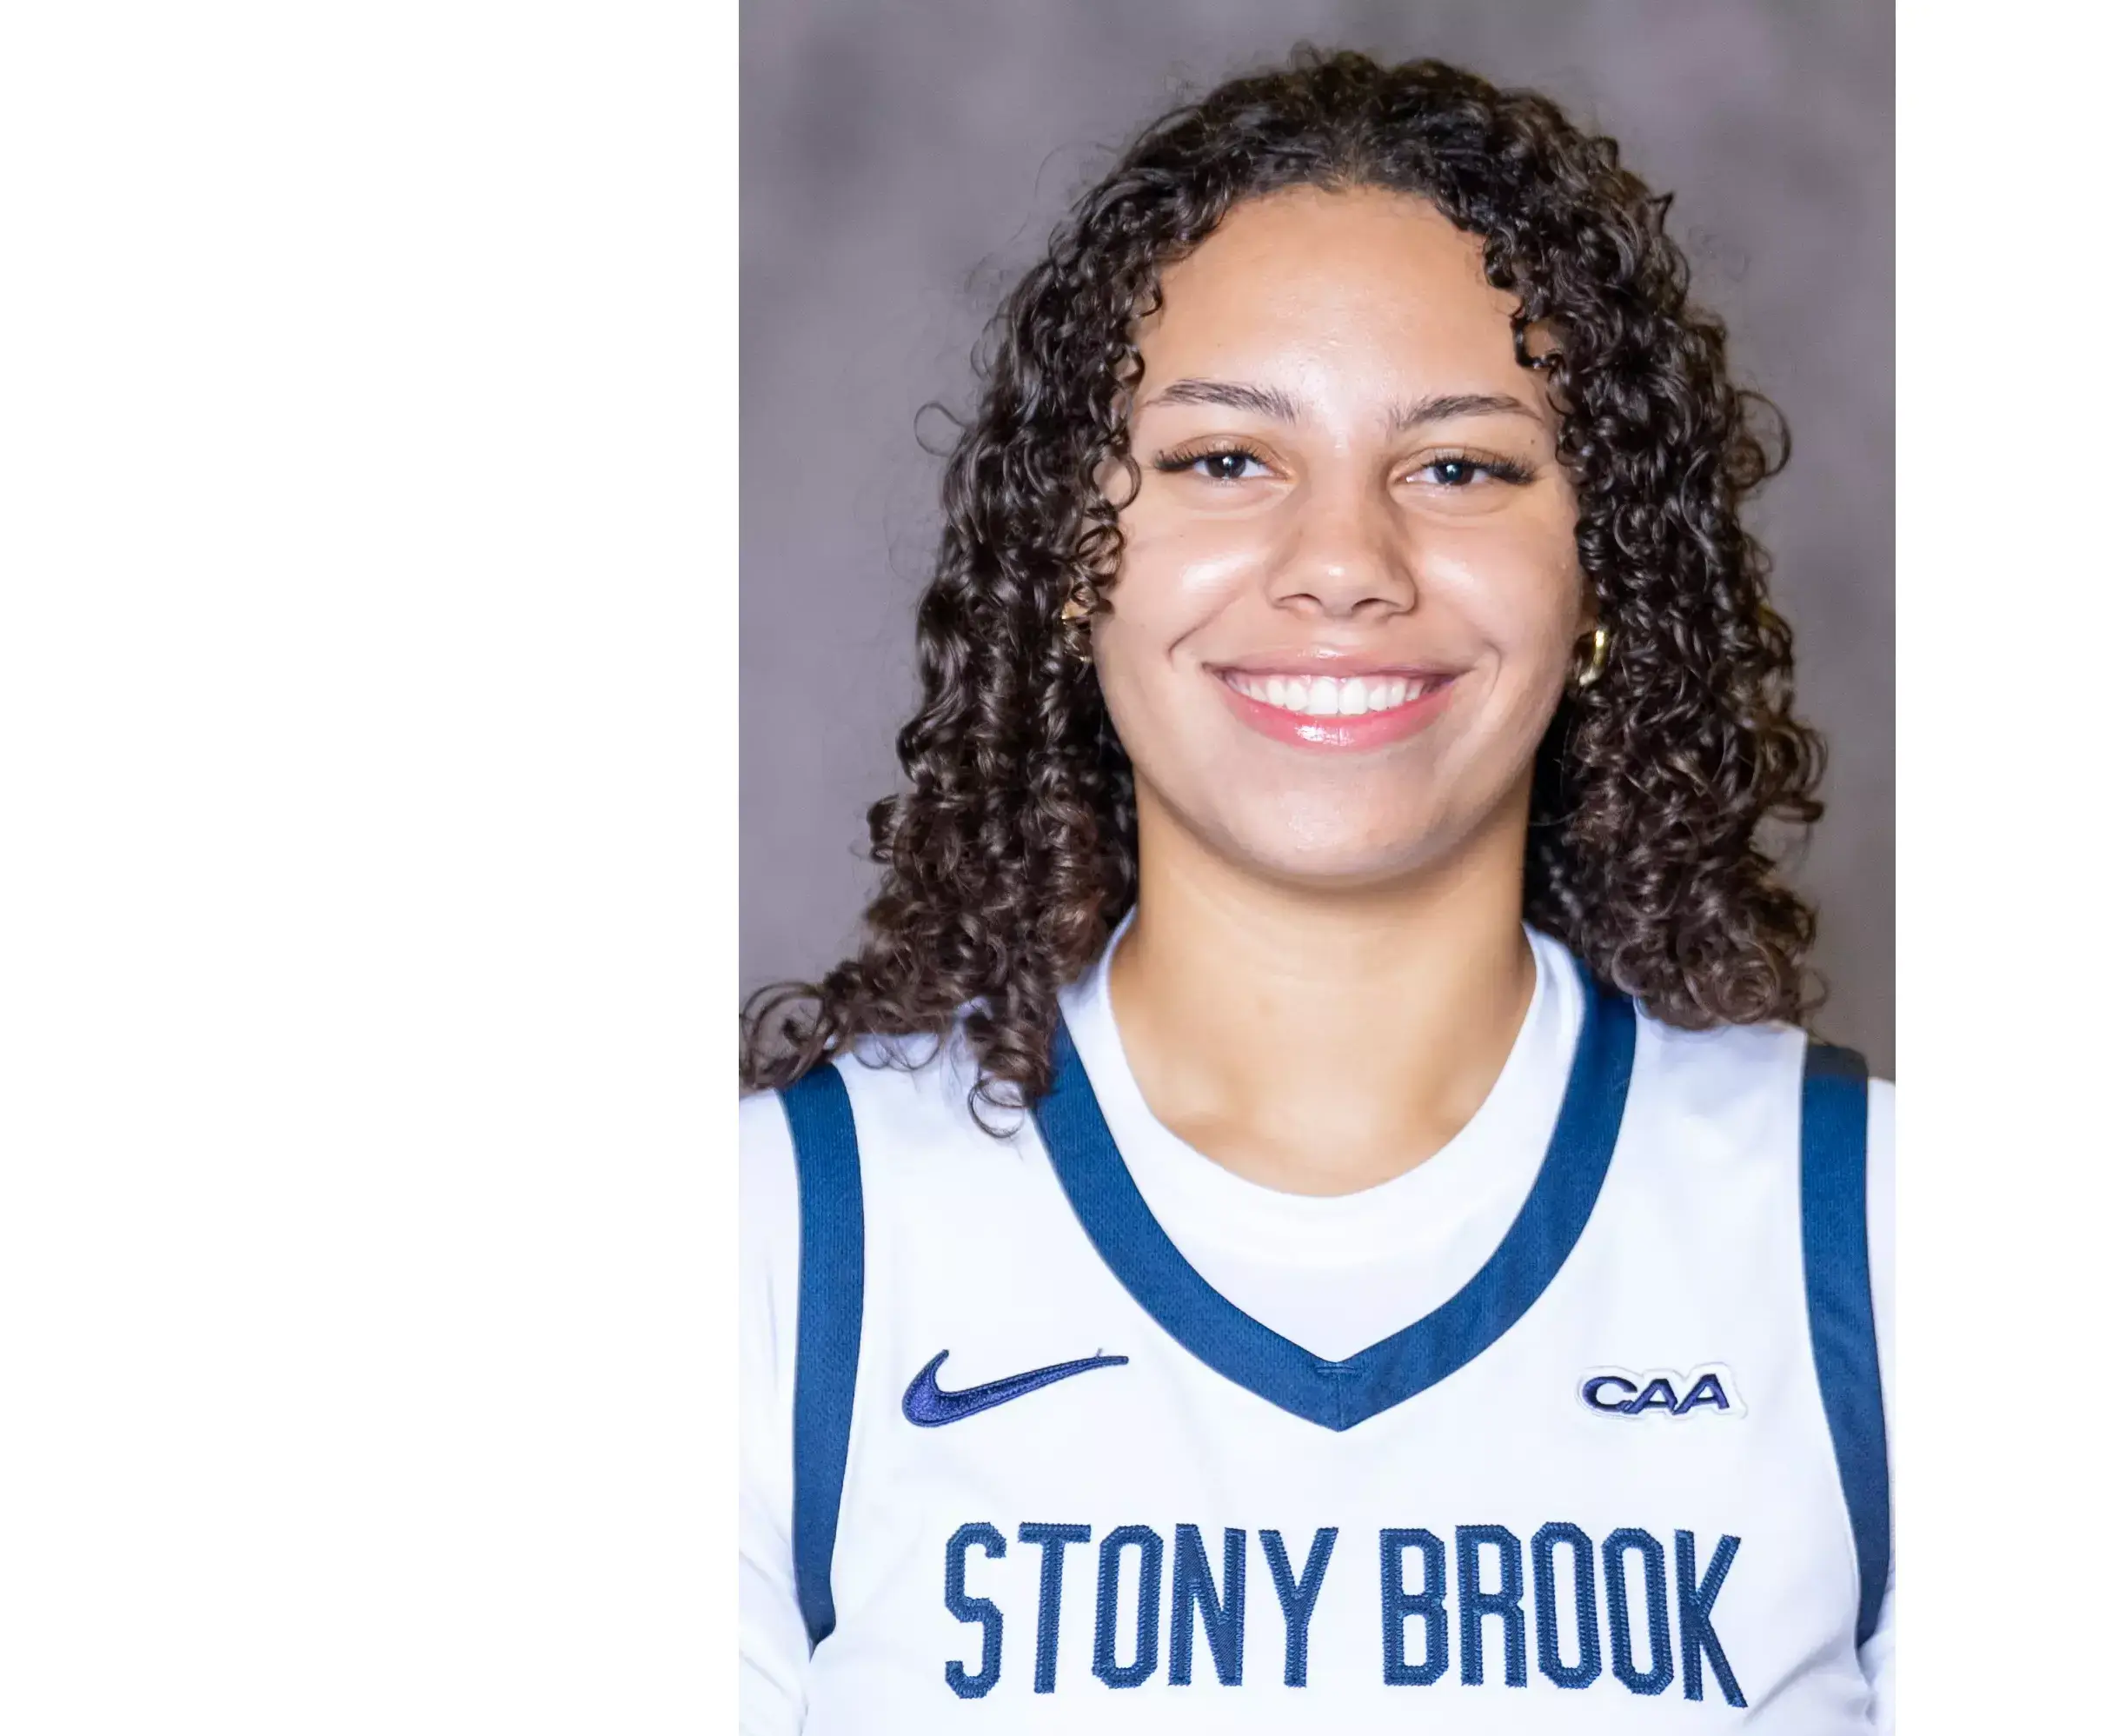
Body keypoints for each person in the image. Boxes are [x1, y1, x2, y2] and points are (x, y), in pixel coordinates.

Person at [740, 48, 1890, 1732]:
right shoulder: (779, 1245)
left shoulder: (1867, 1236)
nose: (1344, 561)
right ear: (1071, 563)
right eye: (1224, 458)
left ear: (1601, 580)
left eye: (1460, 466)